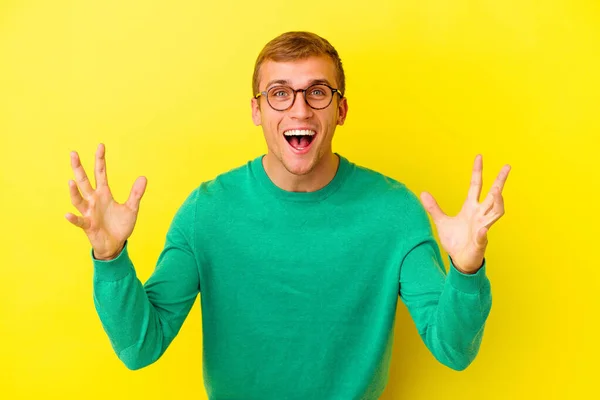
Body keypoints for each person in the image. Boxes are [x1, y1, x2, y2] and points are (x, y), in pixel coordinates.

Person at [66, 31, 511, 400]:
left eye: (317, 92)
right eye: (280, 93)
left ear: (340, 109)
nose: (300, 109)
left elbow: (453, 349)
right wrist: (110, 259)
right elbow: (140, 346)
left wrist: (466, 269)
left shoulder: (394, 212)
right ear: (257, 110)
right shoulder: (207, 212)